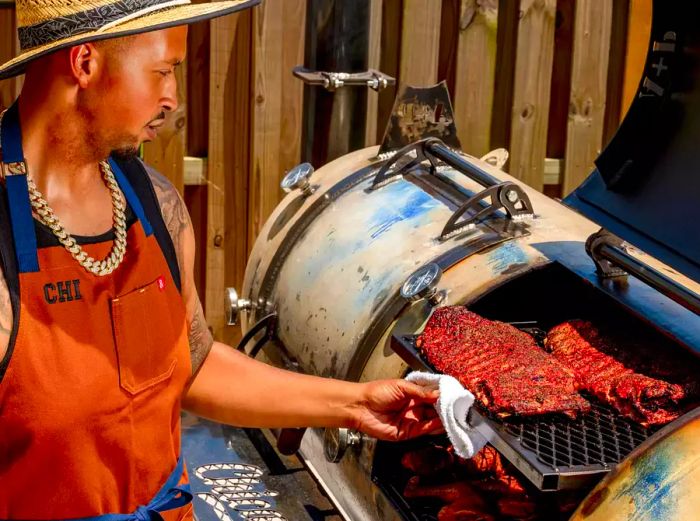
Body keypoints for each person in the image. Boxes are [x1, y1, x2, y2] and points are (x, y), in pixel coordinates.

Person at [0, 1, 443, 519]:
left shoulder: (154, 205)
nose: (173, 98)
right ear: (85, 63)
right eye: (163, 71)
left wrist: (357, 404)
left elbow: (191, 364)